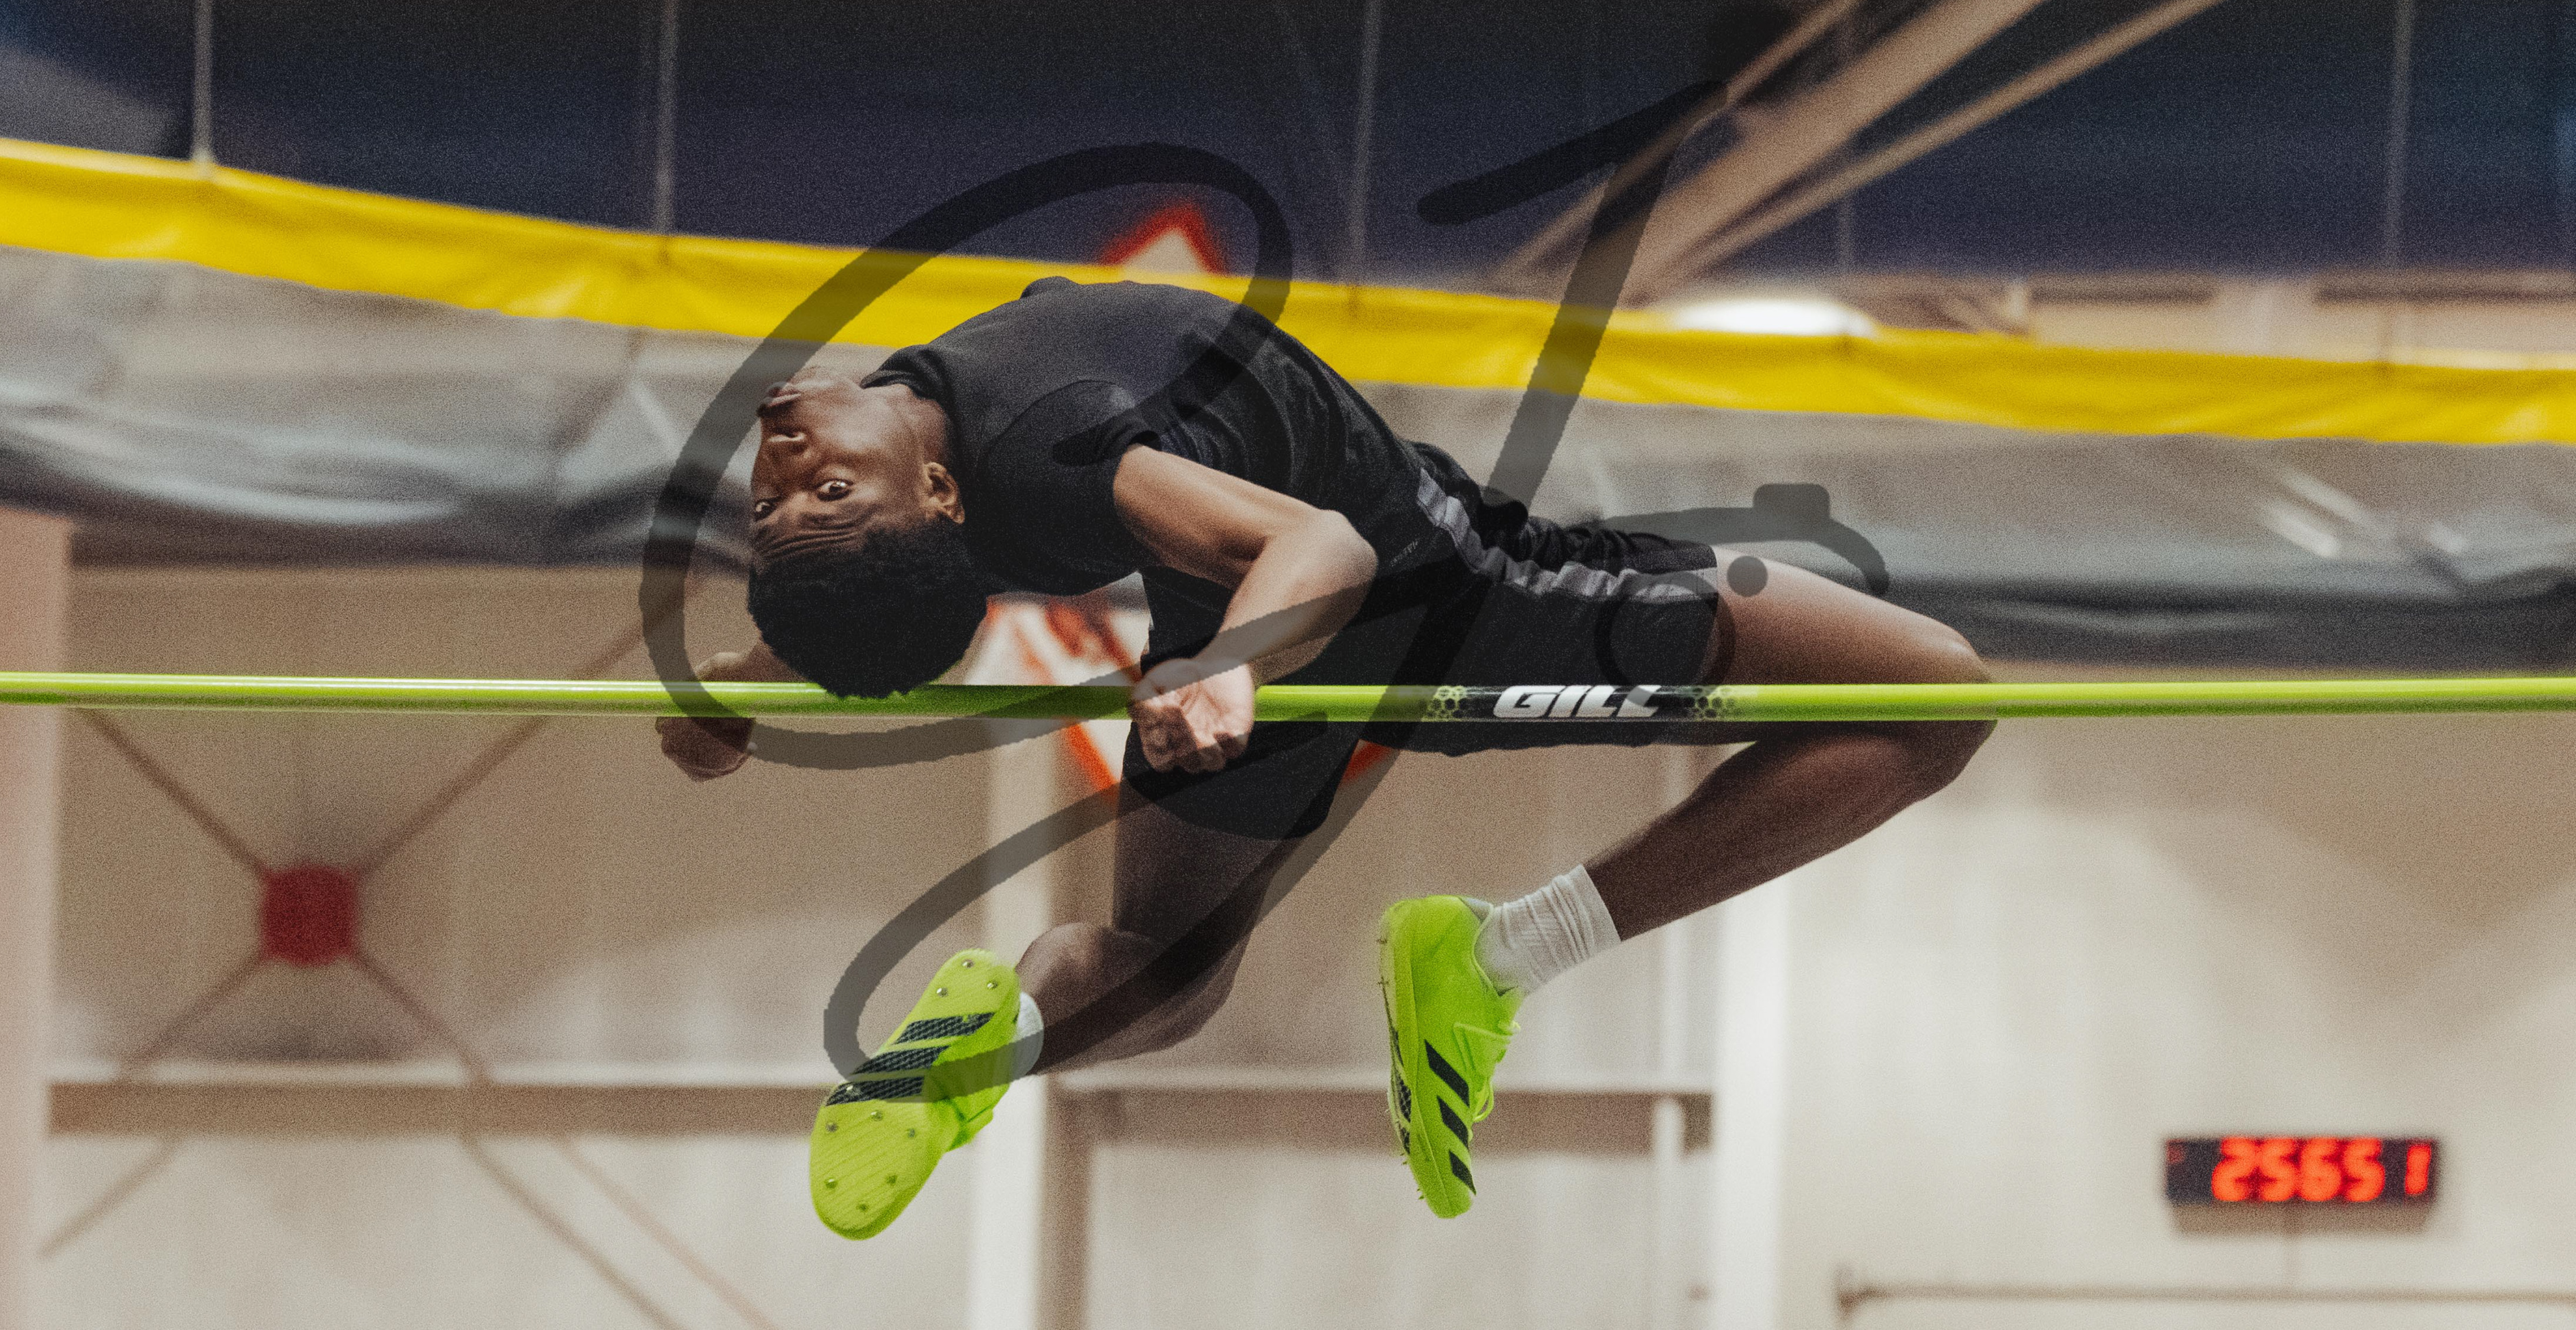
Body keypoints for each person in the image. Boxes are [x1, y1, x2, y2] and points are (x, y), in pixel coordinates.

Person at [657, 275, 1990, 1237]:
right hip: (1428, 598)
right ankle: (1497, 955)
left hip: (1262, 626)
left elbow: (1277, 553)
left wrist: (746, 681)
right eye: (804, 498)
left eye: (800, 496)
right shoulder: (1017, 448)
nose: (786, 461)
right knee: (1938, 695)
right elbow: (1322, 547)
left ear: (947, 499)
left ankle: (988, 1047)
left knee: (1166, 970)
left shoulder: (1001, 451)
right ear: (941, 500)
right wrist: (1234, 668)